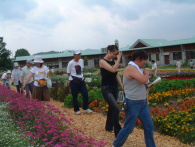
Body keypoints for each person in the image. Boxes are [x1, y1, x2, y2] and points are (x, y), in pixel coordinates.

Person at [113, 50, 156, 147]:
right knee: (128, 128)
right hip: (133, 103)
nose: (145, 63)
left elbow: (142, 82)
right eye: (144, 60)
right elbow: (143, 79)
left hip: (142, 102)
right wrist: (146, 73)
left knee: (149, 126)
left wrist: (148, 84)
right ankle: (116, 145)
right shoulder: (130, 68)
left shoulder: (137, 68)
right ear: (138, 59)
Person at [99, 45, 123, 137]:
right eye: (114, 53)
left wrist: (122, 86)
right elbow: (113, 70)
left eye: (116, 54)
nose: (115, 55)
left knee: (111, 108)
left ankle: (108, 127)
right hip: (106, 89)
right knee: (115, 108)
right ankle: (118, 131)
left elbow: (116, 74)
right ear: (109, 51)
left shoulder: (113, 61)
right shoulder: (102, 61)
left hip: (114, 87)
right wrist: (119, 59)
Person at [66, 50, 92, 115]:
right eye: (77, 54)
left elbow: (82, 69)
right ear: (74, 55)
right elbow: (68, 73)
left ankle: (85, 108)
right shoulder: (71, 63)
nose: (78, 56)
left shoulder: (81, 61)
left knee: (85, 93)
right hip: (73, 80)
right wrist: (74, 78)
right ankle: (76, 109)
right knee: (75, 95)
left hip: (81, 79)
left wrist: (80, 77)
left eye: (79, 54)